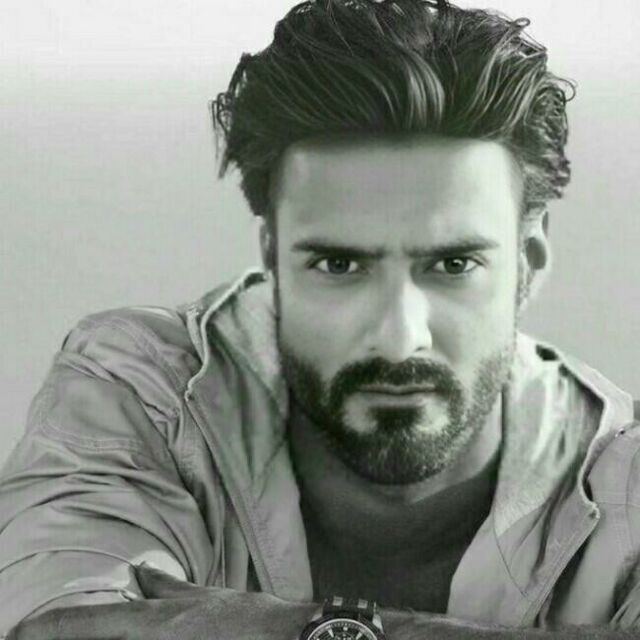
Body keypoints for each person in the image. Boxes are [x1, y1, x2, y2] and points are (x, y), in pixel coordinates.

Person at [2, 0, 639, 637]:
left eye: (452, 265)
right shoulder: (147, 396)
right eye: (339, 264)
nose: (399, 338)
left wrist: (257, 628)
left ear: (528, 263)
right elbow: (58, 628)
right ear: (272, 259)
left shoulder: (626, 479)